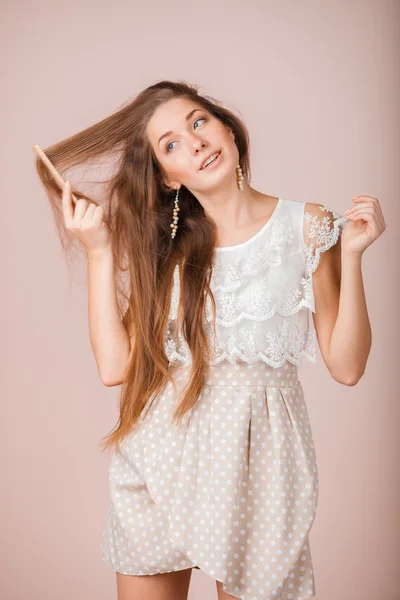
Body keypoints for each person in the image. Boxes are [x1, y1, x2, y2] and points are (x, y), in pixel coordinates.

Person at [35, 80, 385, 600]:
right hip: (161, 464)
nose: (194, 142)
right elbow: (115, 366)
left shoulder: (308, 226)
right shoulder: (168, 252)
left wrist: (353, 256)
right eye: (171, 144)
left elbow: (348, 366)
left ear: (227, 128)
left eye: (198, 122)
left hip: (262, 468)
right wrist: (100, 253)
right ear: (166, 179)